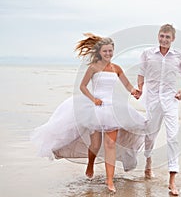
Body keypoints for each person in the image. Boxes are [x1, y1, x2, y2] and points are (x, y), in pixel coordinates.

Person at [31, 33, 146, 193]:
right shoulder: (93, 68)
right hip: (96, 108)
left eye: (110, 51)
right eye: (105, 51)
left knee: (110, 144)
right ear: (99, 52)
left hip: (113, 109)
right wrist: (93, 99)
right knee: (95, 144)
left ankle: (109, 180)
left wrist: (135, 91)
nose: (108, 54)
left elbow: (127, 85)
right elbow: (83, 87)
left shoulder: (116, 68)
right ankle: (90, 164)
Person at [135, 24, 181, 196]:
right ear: (158, 36)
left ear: (173, 39)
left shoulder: (179, 56)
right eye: (162, 36)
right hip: (152, 100)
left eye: (167, 37)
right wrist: (140, 88)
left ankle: (172, 180)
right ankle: (148, 163)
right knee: (150, 135)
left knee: (173, 137)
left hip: (171, 100)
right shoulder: (147, 54)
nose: (164, 39)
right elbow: (141, 72)